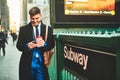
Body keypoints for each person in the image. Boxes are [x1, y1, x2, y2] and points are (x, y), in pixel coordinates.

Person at [16, 6, 55, 80]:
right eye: (32, 19)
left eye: (37, 18)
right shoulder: (23, 29)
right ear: (30, 17)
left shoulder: (48, 29)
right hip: (27, 64)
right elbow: (19, 45)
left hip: (41, 64)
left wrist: (44, 44)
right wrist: (27, 46)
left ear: (40, 15)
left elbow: (52, 44)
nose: (35, 21)